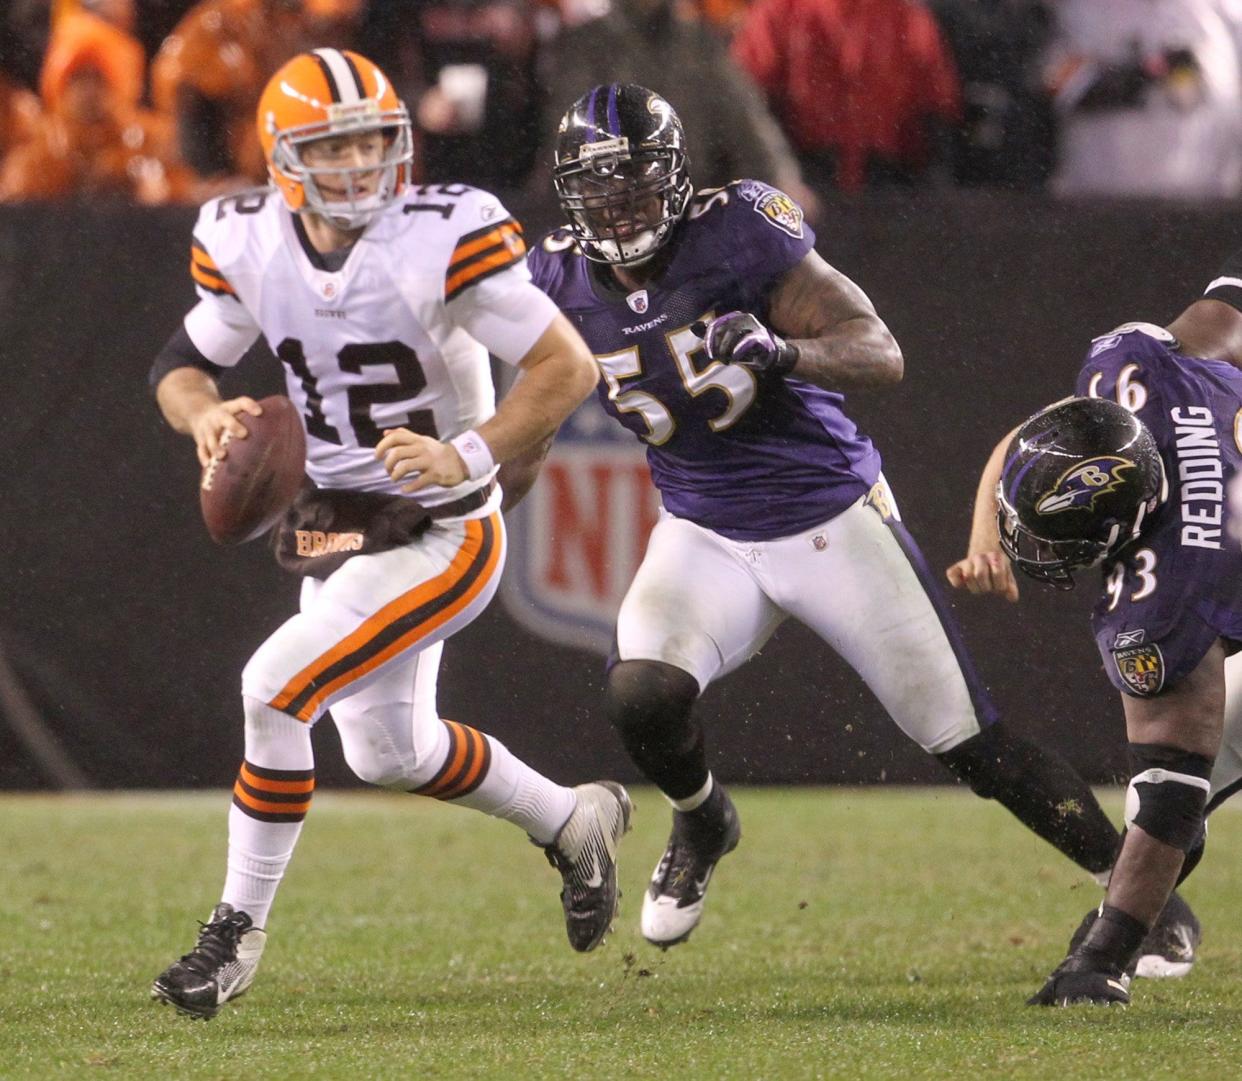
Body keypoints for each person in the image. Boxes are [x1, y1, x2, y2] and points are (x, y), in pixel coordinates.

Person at [524, 83, 1193, 960]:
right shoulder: (553, 278)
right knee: (641, 694)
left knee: (971, 744)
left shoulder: (736, 234)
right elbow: (511, 391)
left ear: (677, 177)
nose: (619, 205)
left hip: (827, 514)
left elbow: (880, 349)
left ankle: (1141, 898)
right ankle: (703, 819)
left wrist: (783, 350)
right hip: (702, 528)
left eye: (636, 181)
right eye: (599, 186)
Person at [148, 47, 630, 1021]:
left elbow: (565, 367)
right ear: (284, 157)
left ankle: (233, 933)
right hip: (335, 520)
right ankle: (574, 820)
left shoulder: (441, 235)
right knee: (389, 752)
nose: (363, 163)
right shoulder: (246, 241)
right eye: (337, 146)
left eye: (376, 139)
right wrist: (203, 416)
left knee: (274, 690)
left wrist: (470, 453)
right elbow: (180, 363)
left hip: (440, 525)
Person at [947, 257, 1242, 1004]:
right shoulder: (1138, 374)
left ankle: (1106, 952)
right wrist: (987, 526)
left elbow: (1171, 791)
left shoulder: (1166, 595)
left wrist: (1096, 961)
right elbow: (1038, 434)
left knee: (1172, 800)